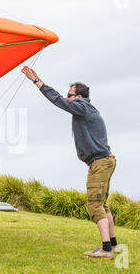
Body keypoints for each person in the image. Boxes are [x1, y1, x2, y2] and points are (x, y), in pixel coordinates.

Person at [22, 66, 118, 259]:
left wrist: (36, 81)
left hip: (100, 163)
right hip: (105, 161)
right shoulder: (87, 108)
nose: (67, 98)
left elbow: (57, 100)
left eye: (70, 94)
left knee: (94, 205)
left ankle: (106, 249)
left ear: (79, 97)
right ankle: (113, 246)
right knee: (103, 205)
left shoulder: (82, 108)